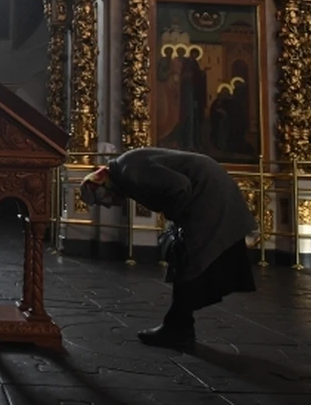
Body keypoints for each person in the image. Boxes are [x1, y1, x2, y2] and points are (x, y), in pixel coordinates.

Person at [80, 147, 257, 349]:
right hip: (209, 191)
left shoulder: (128, 172)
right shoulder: (124, 170)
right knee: (185, 258)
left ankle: (177, 328)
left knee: (187, 257)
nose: (109, 205)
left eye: (104, 201)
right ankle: (179, 326)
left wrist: (178, 221)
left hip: (208, 195)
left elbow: (180, 187)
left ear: (105, 186)